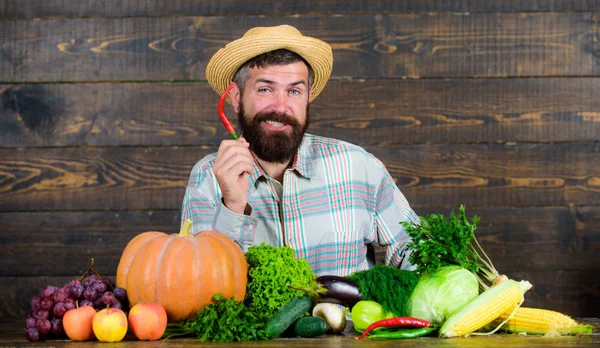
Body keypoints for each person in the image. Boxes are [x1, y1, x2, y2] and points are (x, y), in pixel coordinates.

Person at [181, 25, 419, 276]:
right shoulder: (208, 177)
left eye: (294, 91)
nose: (281, 106)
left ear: (308, 97)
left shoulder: (359, 167)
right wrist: (232, 206)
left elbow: (414, 250)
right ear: (237, 97)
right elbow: (201, 285)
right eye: (265, 89)